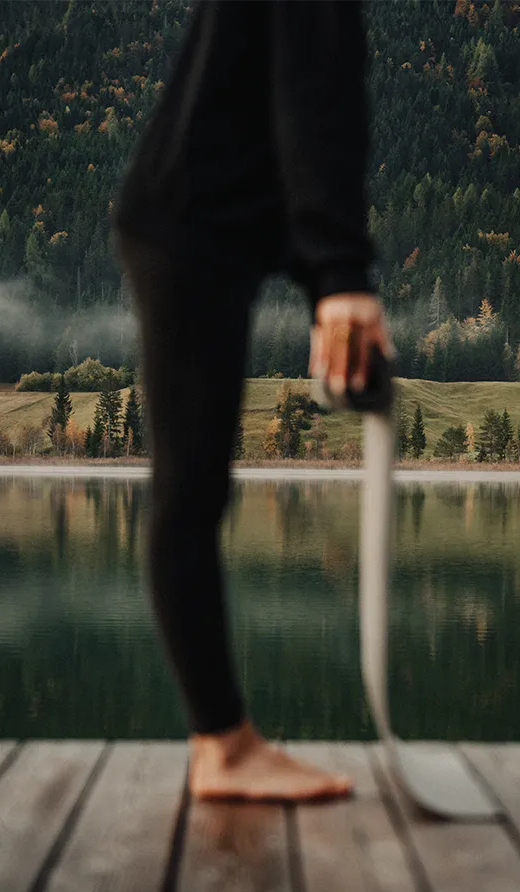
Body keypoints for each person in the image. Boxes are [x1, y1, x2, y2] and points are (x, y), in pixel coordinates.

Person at [113, 0, 393, 801]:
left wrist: (325, 281)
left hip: (217, 218)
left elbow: (280, 107)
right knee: (192, 483)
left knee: (193, 484)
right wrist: (338, 275)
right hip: (191, 221)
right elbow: (314, 102)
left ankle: (222, 744)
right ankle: (222, 746)